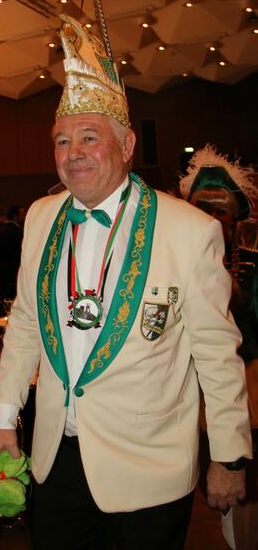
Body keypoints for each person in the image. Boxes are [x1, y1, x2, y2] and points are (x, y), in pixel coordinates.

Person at [0, 0, 252, 550]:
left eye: (89, 137)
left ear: (126, 145)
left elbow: (215, 351)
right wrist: (3, 420)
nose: (73, 153)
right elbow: (26, 323)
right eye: (62, 140)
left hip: (148, 469)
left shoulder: (189, 230)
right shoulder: (41, 216)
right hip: (55, 461)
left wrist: (228, 456)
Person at [180, 145, 258, 550]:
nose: (211, 217)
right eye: (202, 207)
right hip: (193, 406)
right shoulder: (178, 261)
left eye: (219, 208)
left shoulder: (252, 269)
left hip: (247, 399)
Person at [0, 205, 25, 300]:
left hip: (0, 273)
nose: (24, 218)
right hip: (15, 274)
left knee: (3, 300)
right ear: (15, 216)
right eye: (22, 215)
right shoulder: (19, 232)